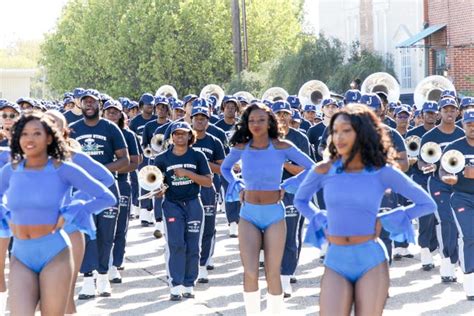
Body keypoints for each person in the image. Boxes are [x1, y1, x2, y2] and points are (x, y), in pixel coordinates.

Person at [294, 104, 435, 316]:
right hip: (336, 259)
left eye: (346, 131)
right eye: (335, 131)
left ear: (362, 133)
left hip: (371, 259)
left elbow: (427, 203)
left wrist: (388, 218)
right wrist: (319, 217)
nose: (339, 137)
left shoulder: (381, 171)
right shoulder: (323, 169)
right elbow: (301, 200)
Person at [0, 111, 116, 315]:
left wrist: (74, 209)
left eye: (37, 133)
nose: (30, 138)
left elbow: (107, 197)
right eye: (24, 133)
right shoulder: (11, 170)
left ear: (50, 137)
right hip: (21, 254)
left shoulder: (64, 168)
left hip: (55, 252)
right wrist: (6, 215)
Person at [221, 102, 314, 315]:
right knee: (251, 272)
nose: (256, 124)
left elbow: (313, 168)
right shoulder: (241, 147)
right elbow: (225, 169)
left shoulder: (281, 146)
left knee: (273, 273)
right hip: (249, 214)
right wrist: (237, 184)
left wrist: (289, 186)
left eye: (261, 120)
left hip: (274, 214)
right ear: (246, 123)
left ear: (270, 121)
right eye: (251, 120)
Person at [46, 109, 115, 314]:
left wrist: (81, 201)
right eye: (45, 123)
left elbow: (107, 180)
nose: (49, 127)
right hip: (35, 229)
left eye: (55, 124)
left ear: (64, 131)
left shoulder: (75, 157)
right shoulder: (28, 156)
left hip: (68, 227)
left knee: (64, 292)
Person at [69, 89, 130, 298]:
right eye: (85, 101)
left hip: (106, 188)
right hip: (81, 190)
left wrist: (101, 170)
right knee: (85, 234)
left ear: (99, 105)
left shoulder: (111, 128)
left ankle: (103, 276)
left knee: (106, 233)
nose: (88, 104)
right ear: (80, 105)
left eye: (92, 101)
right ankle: (87, 279)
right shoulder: (72, 129)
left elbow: (125, 160)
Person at [153, 121, 213, 301]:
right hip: (172, 204)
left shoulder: (198, 156)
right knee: (176, 244)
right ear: (171, 137)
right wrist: (159, 191)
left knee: (194, 245)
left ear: (189, 136)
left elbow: (208, 182)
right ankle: (176, 285)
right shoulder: (162, 158)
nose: (180, 137)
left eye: (183, 133)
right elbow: (156, 186)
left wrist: (188, 173)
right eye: (176, 134)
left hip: (194, 203)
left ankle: (189, 283)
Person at [418, 97, 464, 282]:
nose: (450, 113)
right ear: (440, 113)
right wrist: (423, 167)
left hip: (459, 185)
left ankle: (456, 260)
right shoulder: (429, 137)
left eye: (453, 109)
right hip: (437, 183)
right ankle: (447, 262)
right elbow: (422, 160)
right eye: (446, 110)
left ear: (458, 112)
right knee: (446, 220)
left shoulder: (462, 134)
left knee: (458, 223)